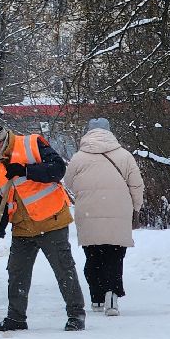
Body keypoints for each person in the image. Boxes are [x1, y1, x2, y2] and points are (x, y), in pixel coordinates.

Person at [0, 118, 87, 331]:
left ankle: (76, 315)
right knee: (17, 272)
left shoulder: (31, 144)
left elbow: (57, 169)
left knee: (63, 269)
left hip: (50, 220)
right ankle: (16, 318)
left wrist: (26, 170)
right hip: (22, 225)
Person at [65, 117, 145, 317]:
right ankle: (112, 295)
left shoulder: (79, 157)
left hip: (88, 211)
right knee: (115, 256)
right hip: (119, 211)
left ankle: (97, 297)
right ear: (109, 132)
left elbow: (68, 183)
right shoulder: (124, 155)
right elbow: (136, 184)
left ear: (88, 132)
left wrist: (85, 193)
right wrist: (136, 207)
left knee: (93, 256)